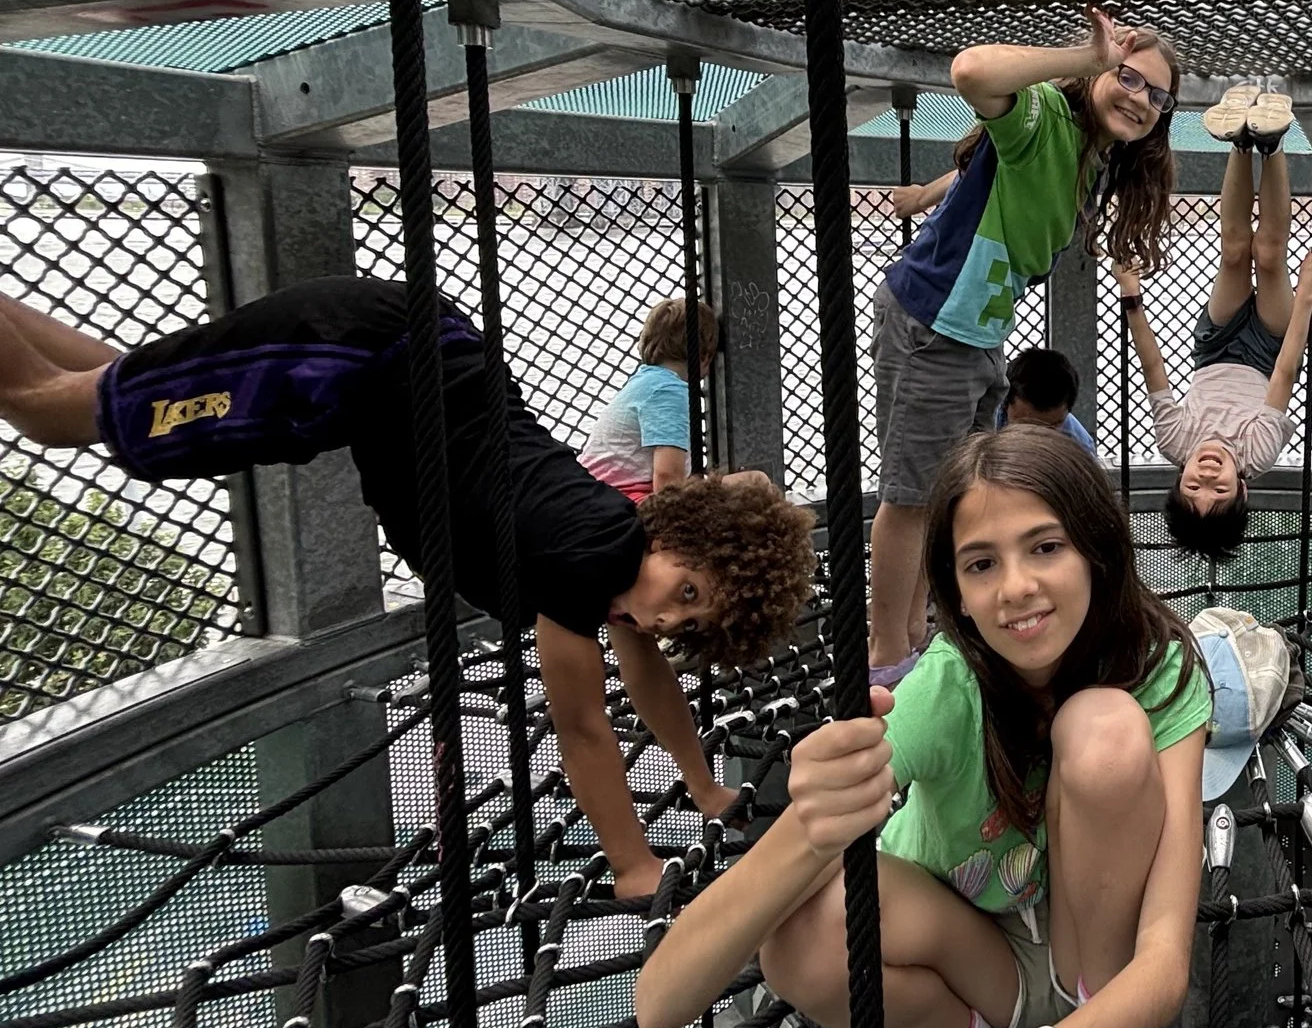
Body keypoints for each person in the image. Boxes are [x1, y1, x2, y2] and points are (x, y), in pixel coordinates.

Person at [0, 276, 818, 900]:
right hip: (363, 357)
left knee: (111, 387)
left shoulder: (621, 554)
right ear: (675, 535)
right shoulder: (592, 559)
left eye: (686, 617)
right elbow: (583, 729)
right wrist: (634, 865)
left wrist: (704, 785)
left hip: (402, 359)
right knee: (50, 413)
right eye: (684, 588)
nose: (660, 612)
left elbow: (650, 676)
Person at [636, 427, 1210, 1028]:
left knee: (1106, 731)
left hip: (1100, 947)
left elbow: (1166, 963)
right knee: (796, 935)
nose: (1016, 587)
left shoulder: (1158, 671)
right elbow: (661, 1001)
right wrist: (819, 812)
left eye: (1044, 546)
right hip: (981, 957)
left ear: (1095, 549)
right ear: (957, 595)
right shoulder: (948, 690)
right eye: (981, 564)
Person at [870, 7, 1178, 689]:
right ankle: (887, 652)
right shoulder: (1049, 117)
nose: (1140, 98)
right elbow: (971, 71)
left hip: (977, 334)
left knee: (956, 494)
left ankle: (925, 623)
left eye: (1157, 95)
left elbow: (989, 170)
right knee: (914, 494)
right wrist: (1081, 57)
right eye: (1128, 77)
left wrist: (926, 192)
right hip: (934, 320)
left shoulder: (1091, 156)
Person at [1111, 84, 1312, 564]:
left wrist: (1131, 294)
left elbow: (1153, 368)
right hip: (1269, 351)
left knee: (1234, 252)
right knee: (1269, 256)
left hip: (1216, 348)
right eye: (1218, 490)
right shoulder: (1259, 453)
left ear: (1178, 477)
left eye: (1194, 486)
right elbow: (1287, 371)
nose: (1208, 475)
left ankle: (1239, 142)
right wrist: (1307, 294)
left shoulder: (1175, 440)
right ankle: (1271, 143)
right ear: (1242, 492)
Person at [580, 295, 719, 500]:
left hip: (596, 495)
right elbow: (667, 479)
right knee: (755, 481)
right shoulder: (668, 391)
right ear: (706, 356)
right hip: (622, 502)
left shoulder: (647, 381)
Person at [996, 346, 1097, 452]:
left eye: (1051, 427)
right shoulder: (982, 418)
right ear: (1005, 404)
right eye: (1025, 425)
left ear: (1067, 412)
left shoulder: (1079, 448)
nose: (1036, 438)